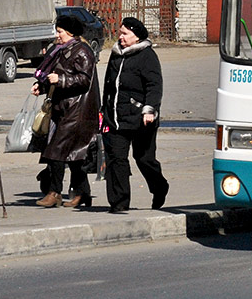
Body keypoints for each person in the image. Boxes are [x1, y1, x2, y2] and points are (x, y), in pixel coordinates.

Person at [31, 13, 99, 208]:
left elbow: (85, 80)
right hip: (63, 108)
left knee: (55, 151)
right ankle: (82, 192)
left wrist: (60, 80)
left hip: (77, 110)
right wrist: (42, 86)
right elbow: (55, 74)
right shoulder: (63, 49)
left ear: (70, 33)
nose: (57, 35)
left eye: (60, 31)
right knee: (74, 155)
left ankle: (54, 192)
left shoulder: (82, 52)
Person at [102, 17, 169, 213]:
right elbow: (108, 85)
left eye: (125, 33)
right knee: (116, 159)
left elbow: (154, 86)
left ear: (136, 36)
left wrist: (150, 109)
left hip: (141, 118)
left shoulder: (147, 56)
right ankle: (119, 202)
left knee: (144, 159)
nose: (120, 37)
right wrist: (103, 110)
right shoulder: (116, 55)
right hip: (115, 117)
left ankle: (159, 187)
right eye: (120, 32)